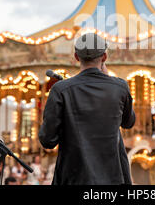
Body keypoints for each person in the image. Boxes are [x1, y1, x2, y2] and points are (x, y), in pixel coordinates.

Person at [39, 33, 136, 185]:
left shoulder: (60, 90)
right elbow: (129, 122)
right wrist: (108, 78)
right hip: (113, 178)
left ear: (76, 57)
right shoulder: (120, 87)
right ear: (104, 57)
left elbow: (47, 140)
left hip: (73, 177)